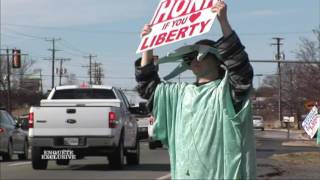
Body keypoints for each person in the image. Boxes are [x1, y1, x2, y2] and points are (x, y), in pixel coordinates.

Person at [135, 1, 255, 179]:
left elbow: (240, 68)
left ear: (217, 59)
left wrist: (223, 21)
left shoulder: (227, 93)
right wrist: (148, 45)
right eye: (190, 57)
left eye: (200, 54)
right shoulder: (179, 95)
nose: (194, 60)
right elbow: (148, 86)